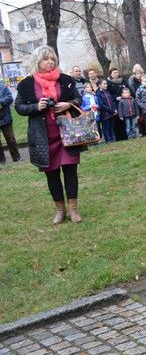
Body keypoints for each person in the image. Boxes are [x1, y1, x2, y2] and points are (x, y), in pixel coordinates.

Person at [15, 45, 87, 223]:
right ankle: (60, 210)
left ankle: (73, 209)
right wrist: (36, 106)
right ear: (37, 61)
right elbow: (19, 107)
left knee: (70, 170)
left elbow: (79, 98)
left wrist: (68, 104)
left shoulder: (65, 79)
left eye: (52, 59)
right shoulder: (26, 84)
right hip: (44, 136)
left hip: (67, 133)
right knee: (52, 174)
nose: (50, 62)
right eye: (45, 59)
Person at [0, 79, 22, 164]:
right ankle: (1, 161)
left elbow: (10, 98)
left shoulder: (3, 87)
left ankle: (16, 158)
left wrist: (1, 102)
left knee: (11, 139)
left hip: (5, 118)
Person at [106, 67, 127, 140]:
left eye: (117, 72)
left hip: (124, 102)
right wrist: (115, 97)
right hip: (114, 104)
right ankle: (118, 137)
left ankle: (125, 136)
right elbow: (108, 93)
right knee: (116, 120)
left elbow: (127, 89)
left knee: (123, 120)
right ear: (111, 74)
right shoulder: (108, 82)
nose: (116, 74)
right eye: (114, 73)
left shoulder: (123, 81)